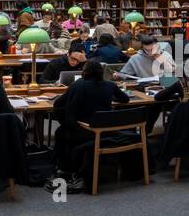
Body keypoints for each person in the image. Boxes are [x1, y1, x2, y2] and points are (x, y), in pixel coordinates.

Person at [51, 59, 135, 191]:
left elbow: (58, 105)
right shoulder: (109, 85)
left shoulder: (77, 85)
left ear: (85, 72)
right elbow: (125, 99)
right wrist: (108, 97)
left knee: (61, 132)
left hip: (84, 131)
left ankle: (63, 169)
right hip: (106, 130)